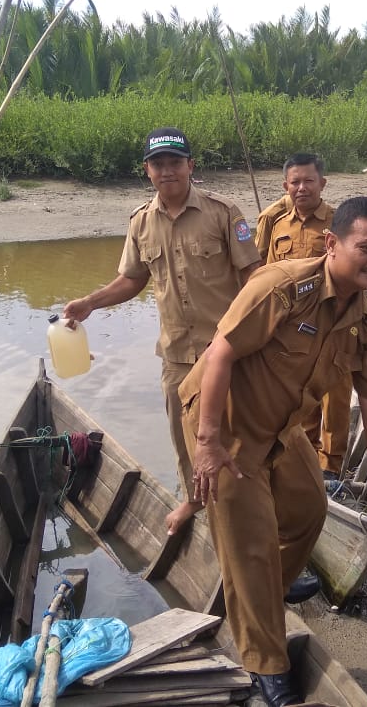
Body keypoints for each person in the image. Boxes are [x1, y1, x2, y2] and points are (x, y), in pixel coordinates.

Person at [179, 196, 367, 706]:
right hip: (227, 423)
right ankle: (265, 660)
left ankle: (264, 590)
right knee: (251, 543)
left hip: (282, 429)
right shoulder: (282, 288)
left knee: (309, 509)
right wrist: (208, 443)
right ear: (333, 243)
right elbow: (219, 355)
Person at [63, 127, 261, 535]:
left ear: (190, 166)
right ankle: (194, 501)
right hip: (176, 356)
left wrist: (258, 339)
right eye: (158, 164)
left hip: (226, 352)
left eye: (175, 162)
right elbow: (131, 280)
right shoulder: (141, 222)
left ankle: (247, 518)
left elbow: (253, 278)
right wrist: (89, 304)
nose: (167, 170)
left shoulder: (223, 211)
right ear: (147, 170)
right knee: (183, 437)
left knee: (239, 437)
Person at [255, 153, 351, 479]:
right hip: (292, 331)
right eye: (295, 182)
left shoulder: (341, 225)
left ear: (322, 183)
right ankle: (306, 459)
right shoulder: (277, 225)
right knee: (301, 398)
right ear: (285, 186)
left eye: (309, 181)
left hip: (333, 324)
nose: (302, 188)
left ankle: (332, 467)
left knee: (336, 398)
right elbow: (268, 276)